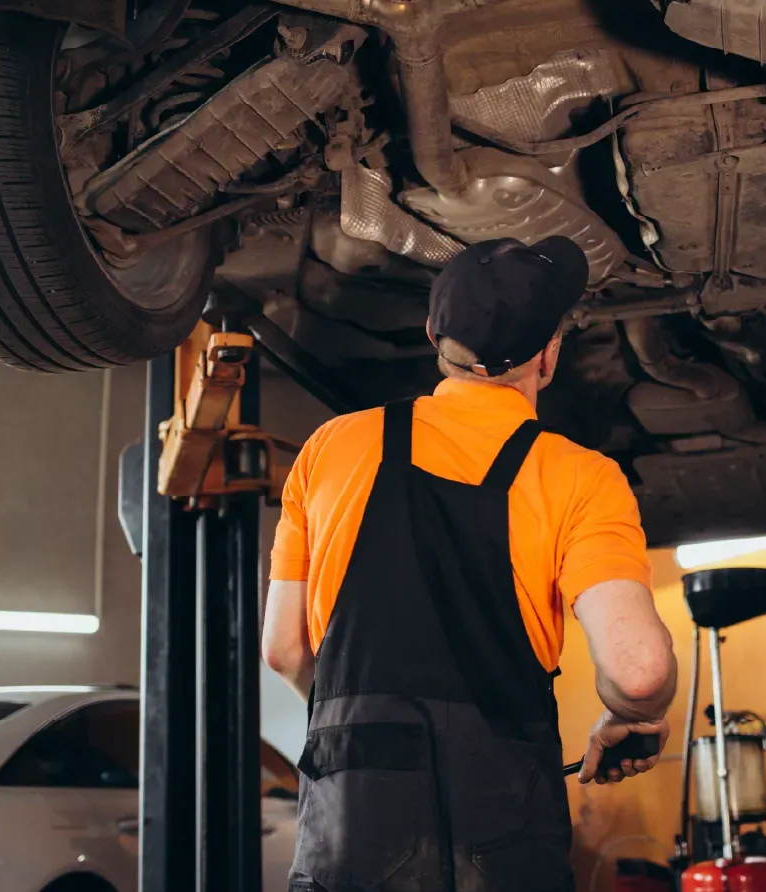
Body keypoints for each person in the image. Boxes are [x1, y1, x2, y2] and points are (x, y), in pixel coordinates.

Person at [262, 236, 678, 892]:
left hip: (348, 836)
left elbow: (285, 651)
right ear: (547, 355)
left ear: (432, 333)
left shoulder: (330, 448)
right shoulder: (577, 477)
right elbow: (638, 670)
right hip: (499, 843)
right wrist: (633, 717)